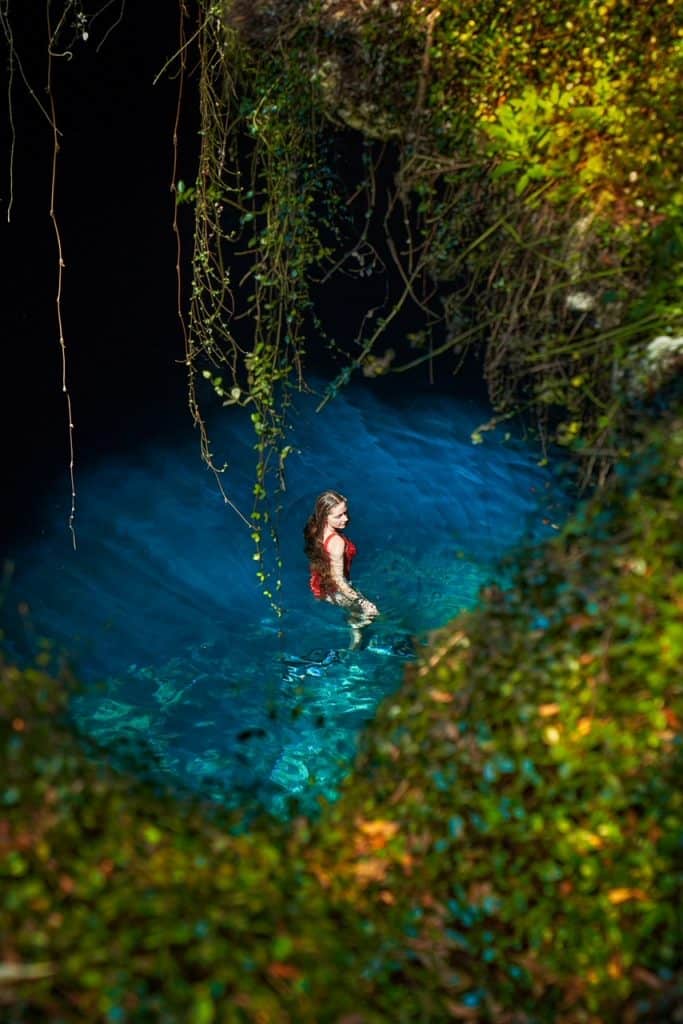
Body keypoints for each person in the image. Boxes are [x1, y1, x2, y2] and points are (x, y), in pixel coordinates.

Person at [303, 490, 379, 648]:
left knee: (355, 612)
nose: (346, 518)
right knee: (371, 614)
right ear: (325, 516)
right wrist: (362, 601)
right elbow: (339, 580)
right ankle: (353, 650)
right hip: (334, 589)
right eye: (339, 516)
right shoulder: (337, 543)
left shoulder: (313, 527)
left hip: (318, 583)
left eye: (345, 512)